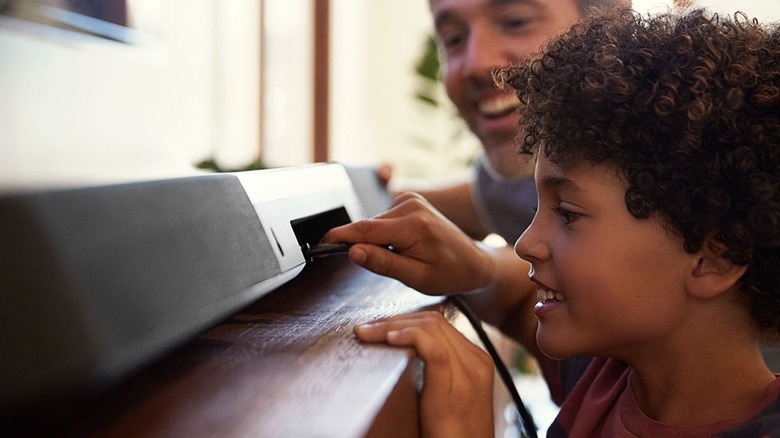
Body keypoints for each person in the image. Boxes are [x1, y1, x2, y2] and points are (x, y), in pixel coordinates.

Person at [325, 8, 780, 437]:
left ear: (715, 257)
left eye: (568, 214)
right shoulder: (606, 378)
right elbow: (513, 299)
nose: (524, 243)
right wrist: (474, 268)